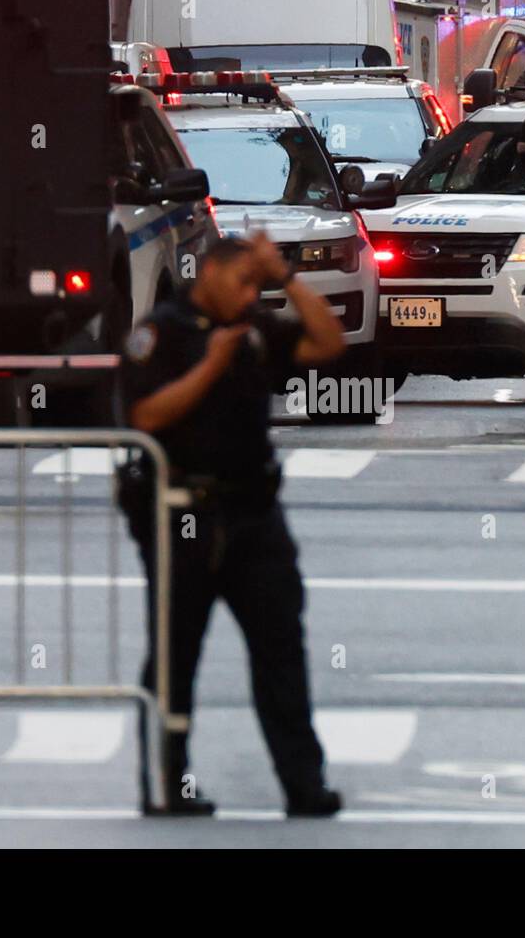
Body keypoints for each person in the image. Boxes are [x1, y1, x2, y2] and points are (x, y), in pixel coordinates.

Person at [117, 232, 347, 817]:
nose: (250, 295)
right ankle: (167, 785)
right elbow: (144, 414)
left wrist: (288, 279)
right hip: (180, 516)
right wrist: (212, 366)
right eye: (243, 282)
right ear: (210, 274)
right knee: (174, 656)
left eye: (256, 286)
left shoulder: (253, 330)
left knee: (281, 651)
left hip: (254, 515)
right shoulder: (161, 332)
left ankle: (304, 784)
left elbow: (327, 342)